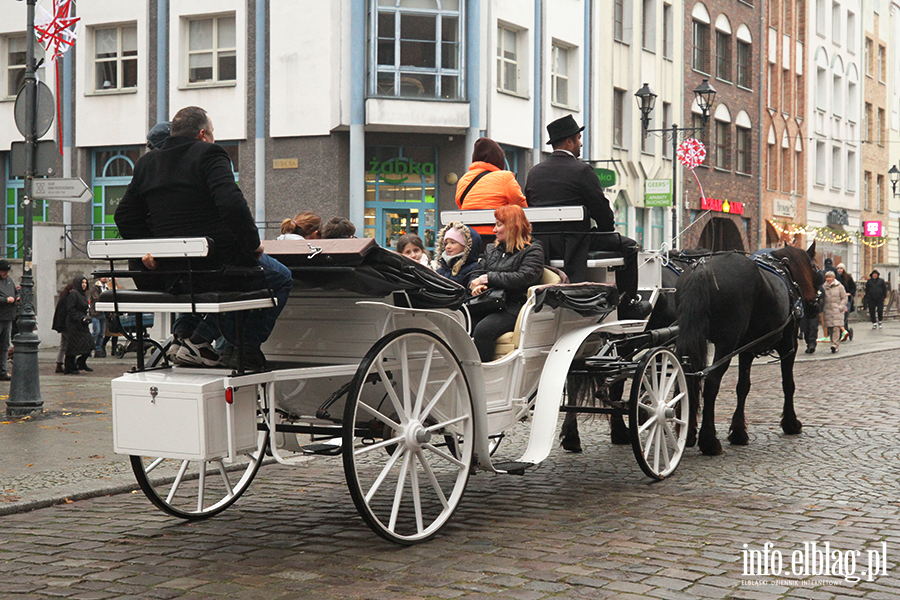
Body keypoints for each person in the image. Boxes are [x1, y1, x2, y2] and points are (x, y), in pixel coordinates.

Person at [115, 106, 293, 370]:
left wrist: (152, 250)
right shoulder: (210, 153)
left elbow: (124, 216)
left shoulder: (146, 163)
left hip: (172, 272)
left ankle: (185, 336)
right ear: (202, 134)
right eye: (212, 132)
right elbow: (231, 203)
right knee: (280, 277)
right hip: (215, 266)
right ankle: (243, 347)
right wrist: (252, 244)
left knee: (202, 288)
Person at [523, 115, 645, 319]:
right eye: (578, 138)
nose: (580, 143)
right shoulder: (582, 171)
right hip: (575, 242)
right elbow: (603, 214)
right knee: (630, 247)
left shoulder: (534, 173)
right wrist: (604, 230)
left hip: (543, 245)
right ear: (568, 141)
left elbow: (532, 206)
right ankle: (627, 306)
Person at [467, 206, 544, 362]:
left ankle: (482, 373)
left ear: (513, 226)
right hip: (488, 302)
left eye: (499, 225)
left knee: (483, 330)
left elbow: (525, 277)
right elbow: (476, 274)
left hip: (514, 304)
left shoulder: (533, 249)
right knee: (462, 323)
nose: (494, 230)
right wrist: (475, 285)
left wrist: (487, 278)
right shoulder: (491, 248)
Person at [455, 137, 527, 236]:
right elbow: (521, 206)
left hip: (470, 236)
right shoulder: (505, 177)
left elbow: (461, 205)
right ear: (499, 159)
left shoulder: (464, 179)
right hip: (496, 234)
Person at [433, 222, 482, 288]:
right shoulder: (441, 270)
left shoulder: (474, 268)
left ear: (466, 246)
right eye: (446, 243)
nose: (447, 247)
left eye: (453, 242)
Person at [65, 276, 94, 374]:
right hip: (74, 323)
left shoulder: (83, 295)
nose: (84, 285)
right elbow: (71, 309)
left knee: (90, 343)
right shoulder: (74, 294)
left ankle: (81, 362)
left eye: (85, 283)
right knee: (73, 346)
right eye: (82, 283)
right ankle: (70, 367)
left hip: (82, 323)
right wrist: (79, 318)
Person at [821, 270, 847, 353]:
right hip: (827, 310)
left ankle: (835, 345)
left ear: (834, 278)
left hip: (837, 310)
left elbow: (844, 298)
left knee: (836, 327)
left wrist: (841, 307)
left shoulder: (840, 287)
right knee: (830, 328)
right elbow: (821, 298)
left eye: (830, 277)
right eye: (827, 277)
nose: (828, 279)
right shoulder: (824, 287)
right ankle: (833, 343)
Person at [0, 260, 18, 381]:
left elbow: (15, 292)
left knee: (5, 345)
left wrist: (17, 298)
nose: (6, 273)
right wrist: (5, 300)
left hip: (8, 317)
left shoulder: (9, 281)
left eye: (7, 271)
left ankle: (2, 371)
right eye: (3, 271)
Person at [52, 283, 73, 373]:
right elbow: (63, 313)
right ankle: (67, 364)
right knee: (69, 344)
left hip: (62, 325)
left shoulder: (63, 298)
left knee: (63, 344)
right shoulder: (67, 299)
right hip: (66, 325)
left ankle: (59, 362)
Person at [89, 277, 110, 358]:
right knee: (96, 331)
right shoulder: (95, 287)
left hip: (103, 312)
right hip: (96, 312)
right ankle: (88, 346)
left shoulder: (106, 288)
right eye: (103, 277)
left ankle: (98, 350)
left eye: (106, 277)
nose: (105, 278)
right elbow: (97, 298)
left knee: (101, 333)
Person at [835, 263, 855, 341]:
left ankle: (845, 330)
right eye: (838, 268)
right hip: (837, 299)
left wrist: (850, 293)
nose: (839, 270)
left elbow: (853, 288)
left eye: (841, 268)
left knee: (844, 315)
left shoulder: (848, 278)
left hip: (846, 299)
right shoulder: (835, 278)